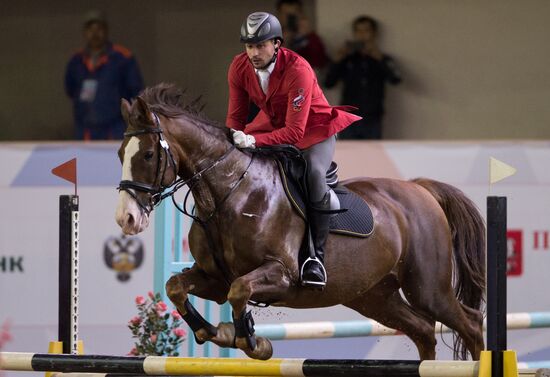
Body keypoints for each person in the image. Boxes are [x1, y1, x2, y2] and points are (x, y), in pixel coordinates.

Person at [226, 12, 361, 287]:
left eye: (261, 45)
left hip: (315, 130)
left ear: (277, 44)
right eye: (249, 46)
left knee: (312, 172)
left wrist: (252, 142)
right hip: (270, 126)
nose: (254, 52)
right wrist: (231, 142)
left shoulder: (298, 68)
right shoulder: (238, 67)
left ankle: (316, 258)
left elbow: (294, 132)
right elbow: (236, 119)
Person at [64, 10, 144, 140]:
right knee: (85, 160)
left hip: (115, 129)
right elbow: (70, 89)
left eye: (99, 28)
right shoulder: (76, 60)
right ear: (85, 32)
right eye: (90, 29)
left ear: (106, 31)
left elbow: (136, 91)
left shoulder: (123, 57)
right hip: (85, 129)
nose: (95, 33)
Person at [325, 15, 402, 140]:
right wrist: (337, 61)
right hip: (348, 117)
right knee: (348, 156)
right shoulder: (347, 59)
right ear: (354, 33)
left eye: (366, 30)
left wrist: (380, 58)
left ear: (374, 33)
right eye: (358, 31)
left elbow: (396, 79)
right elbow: (329, 83)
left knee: (372, 156)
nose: (362, 35)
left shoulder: (382, 59)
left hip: (372, 116)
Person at [276, 0, 329, 71]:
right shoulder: (273, 37)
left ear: (300, 14)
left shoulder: (311, 37)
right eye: (286, 14)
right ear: (279, 15)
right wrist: (283, 43)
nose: (290, 18)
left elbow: (319, 63)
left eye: (293, 14)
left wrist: (308, 38)